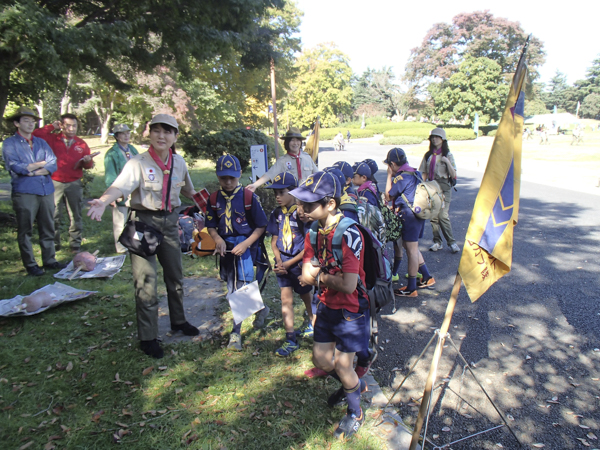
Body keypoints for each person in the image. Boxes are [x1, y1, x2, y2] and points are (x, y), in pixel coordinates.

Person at [87, 114, 200, 358]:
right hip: (144, 226)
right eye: (157, 130)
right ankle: (148, 337)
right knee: (146, 282)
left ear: (175, 136)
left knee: (175, 277)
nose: (162, 135)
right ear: (149, 133)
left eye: (168, 131)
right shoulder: (137, 162)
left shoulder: (179, 162)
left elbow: (189, 191)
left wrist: (214, 202)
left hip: (171, 224)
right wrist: (103, 200)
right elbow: (120, 186)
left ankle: (178, 321)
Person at [294, 171, 368, 440]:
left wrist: (321, 275)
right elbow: (304, 274)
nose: (301, 210)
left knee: (343, 365)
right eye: (301, 204)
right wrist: (318, 276)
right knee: (322, 361)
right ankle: (355, 385)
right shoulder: (313, 231)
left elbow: (348, 285)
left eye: (309, 205)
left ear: (330, 204)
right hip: (326, 305)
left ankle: (355, 412)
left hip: (350, 310)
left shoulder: (349, 234)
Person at [206, 154, 270, 351]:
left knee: (238, 289)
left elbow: (261, 226)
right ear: (217, 176)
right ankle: (262, 309)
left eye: (231, 178)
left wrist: (246, 244)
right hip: (226, 250)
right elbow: (211, 225)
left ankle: (236, 333)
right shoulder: (214, 198)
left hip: (245, 248)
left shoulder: (249, 197)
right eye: (223, 177)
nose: (227, 182)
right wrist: (217, 239)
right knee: (232, 285)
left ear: (240, 174)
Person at [2, 107, 65, 276]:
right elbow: (16, 166)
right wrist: (39, 164)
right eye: (26, 121)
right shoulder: (10, 143)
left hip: (46, 189)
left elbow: (52, 163)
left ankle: (50, 260)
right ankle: (30, 264)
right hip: (25, 191)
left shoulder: (41, 142)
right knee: (25, 228)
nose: (31, 124)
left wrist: (33, 170)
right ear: (17, 123)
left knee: (48, 226)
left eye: (32, 121)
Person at [265, 172, 314, 357]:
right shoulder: (277, 214)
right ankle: (290, 338)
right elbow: (274, 240)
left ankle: (313, 324)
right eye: (275, 193)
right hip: (282, 263)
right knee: (286, 299)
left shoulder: (301, 215)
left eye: (282, 192)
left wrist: (289, 263)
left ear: (294, 192)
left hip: (298, 264)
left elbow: (308, 246)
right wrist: (278, 261)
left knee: (306, 296)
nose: (278, 197)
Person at [33, 113, 95, 252]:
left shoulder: (81, 143)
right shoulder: (52, 139)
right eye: (68, 125)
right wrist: (51, 127)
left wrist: (87, 161)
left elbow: (88, 166)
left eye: (74, 126)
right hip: (55, 181)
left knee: (75, 214)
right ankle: (54, 244)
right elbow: (35, 134)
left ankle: (75, 244)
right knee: (53, 214)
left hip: (74, 182)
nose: (72, 129)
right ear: (61, 126)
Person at [385, 148, 435, 297]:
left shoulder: (401, 178)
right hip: (418, 214)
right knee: (410, 246)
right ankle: (426, 276)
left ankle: (411, 288)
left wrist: (389, 176)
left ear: (393, 164)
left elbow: (388, 196)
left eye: (390, 166)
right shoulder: (416, 172)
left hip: (409, 216)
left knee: (412, 250)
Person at [418, 128, 459, 253]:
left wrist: (447, 162)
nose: (434, 139)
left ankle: (451, 242)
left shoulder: (448, 155)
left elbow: (453, 175)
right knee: (434, 216)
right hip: (431, 186)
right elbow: (424, 172)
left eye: (437, 137)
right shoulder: (428, 155)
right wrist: (422, 188)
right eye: (432, 137)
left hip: (444, 185)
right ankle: (437, 242)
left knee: (443, 215)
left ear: (443, 139)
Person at [247, 128, 318, 192]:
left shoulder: (307, 158)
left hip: (308, 197)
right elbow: (269, 175)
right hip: (292, 199)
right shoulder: (282, 161)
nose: (295, 143)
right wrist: (255, 185)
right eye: (292, 140)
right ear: (287, 142)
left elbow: (318, 175)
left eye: (297, 140)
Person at [104, 123, 139, 253]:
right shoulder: (112, 153)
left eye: (128, 133)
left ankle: (131, 242)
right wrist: (113, 195)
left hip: (133, 190)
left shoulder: (132, 149)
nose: (126, 136)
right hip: (120, 190)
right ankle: (120, 247)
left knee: (132, 219)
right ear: (117, 136)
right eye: (123, 133)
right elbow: (110, 176)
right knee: (120, 220)